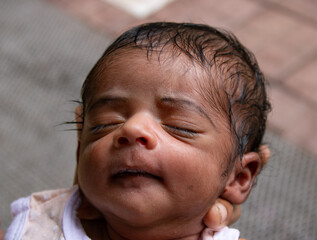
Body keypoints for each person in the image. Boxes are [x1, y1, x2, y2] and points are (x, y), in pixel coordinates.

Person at [5, 22, 271, 240]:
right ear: (80, 142)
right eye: (104, 124)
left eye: (180, 126)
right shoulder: (36, 226)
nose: (131, 129)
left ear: (239, 177)